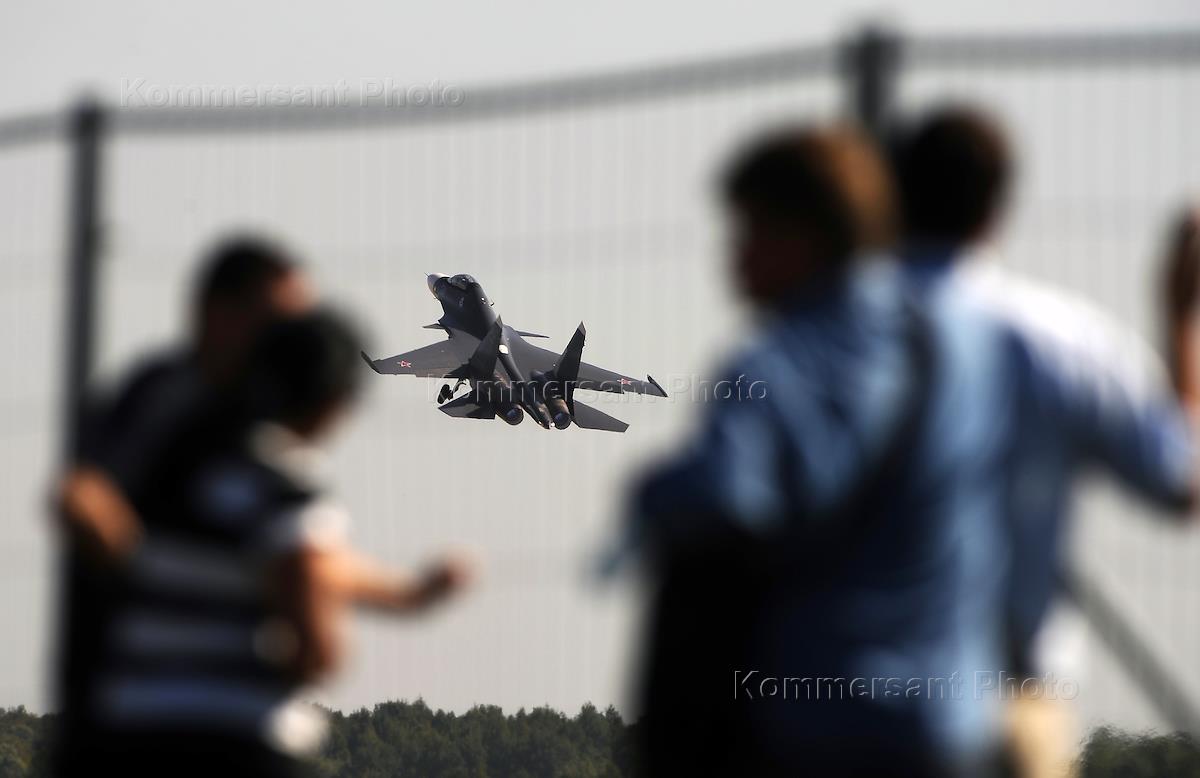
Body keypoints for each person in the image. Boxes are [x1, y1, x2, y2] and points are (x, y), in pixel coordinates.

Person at [621, 123, 1018, 777]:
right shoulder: (967, 343)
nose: (733, 254)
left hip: (824, 729)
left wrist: (648, 497)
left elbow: (723, 496)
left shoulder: (779, 362)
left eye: (750, 229)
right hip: (950, 727)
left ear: (801, 236)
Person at [890, 105, 1198, 775]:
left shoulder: (824, 340)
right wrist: (1179, 314)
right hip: (1012, 700)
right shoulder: (1065, 342)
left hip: (859, 702)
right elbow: (1181, 478)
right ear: (998, 205)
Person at [88, 309, 472, 777]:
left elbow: (303, 565)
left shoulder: (173, 467)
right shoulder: (285, 488)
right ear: (335, 403)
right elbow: (311, 604)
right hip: (237, 736)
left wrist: (411, 594)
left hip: (131, 728)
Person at [51, 236, 316, 775]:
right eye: (278, 324)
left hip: (232, 722)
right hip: (129, 716)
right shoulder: (161, 395)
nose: (294, 342)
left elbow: (301, 543)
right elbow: (82, 495)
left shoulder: (267, 416)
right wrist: (157, 575)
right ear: (217, 313)